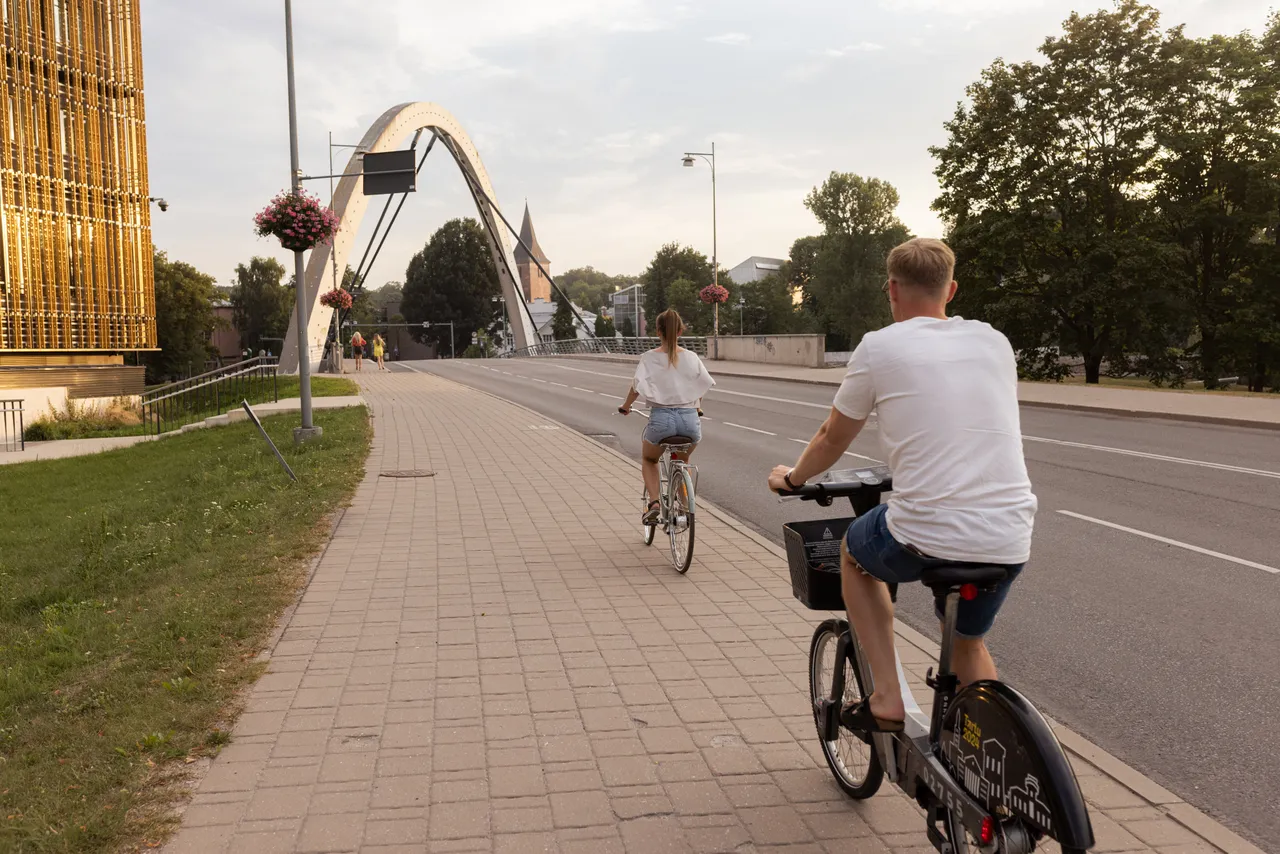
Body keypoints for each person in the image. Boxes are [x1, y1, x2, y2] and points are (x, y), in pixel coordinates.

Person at [768, 238, 1036, 731]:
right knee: (968, 643)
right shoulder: (994, 341)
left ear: (891, 289)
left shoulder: (879, 346)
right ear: (950, 289)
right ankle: (993, 760)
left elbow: (832, 436)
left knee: (853, 551)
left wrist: (793, 479)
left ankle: (888, 697)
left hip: (927, 530)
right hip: (1010, 533)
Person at [619, 309, 715, 524]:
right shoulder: (691, 357)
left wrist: (625, 406)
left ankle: (653, 503)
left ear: (658, 331)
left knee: (649, 459)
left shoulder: (649, 358)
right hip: (690, 420)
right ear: (680, 331)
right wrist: (697, 408)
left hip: (661, 419)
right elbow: (702, 387)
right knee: (683, 459)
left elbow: (636, 387)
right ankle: (684, 506)